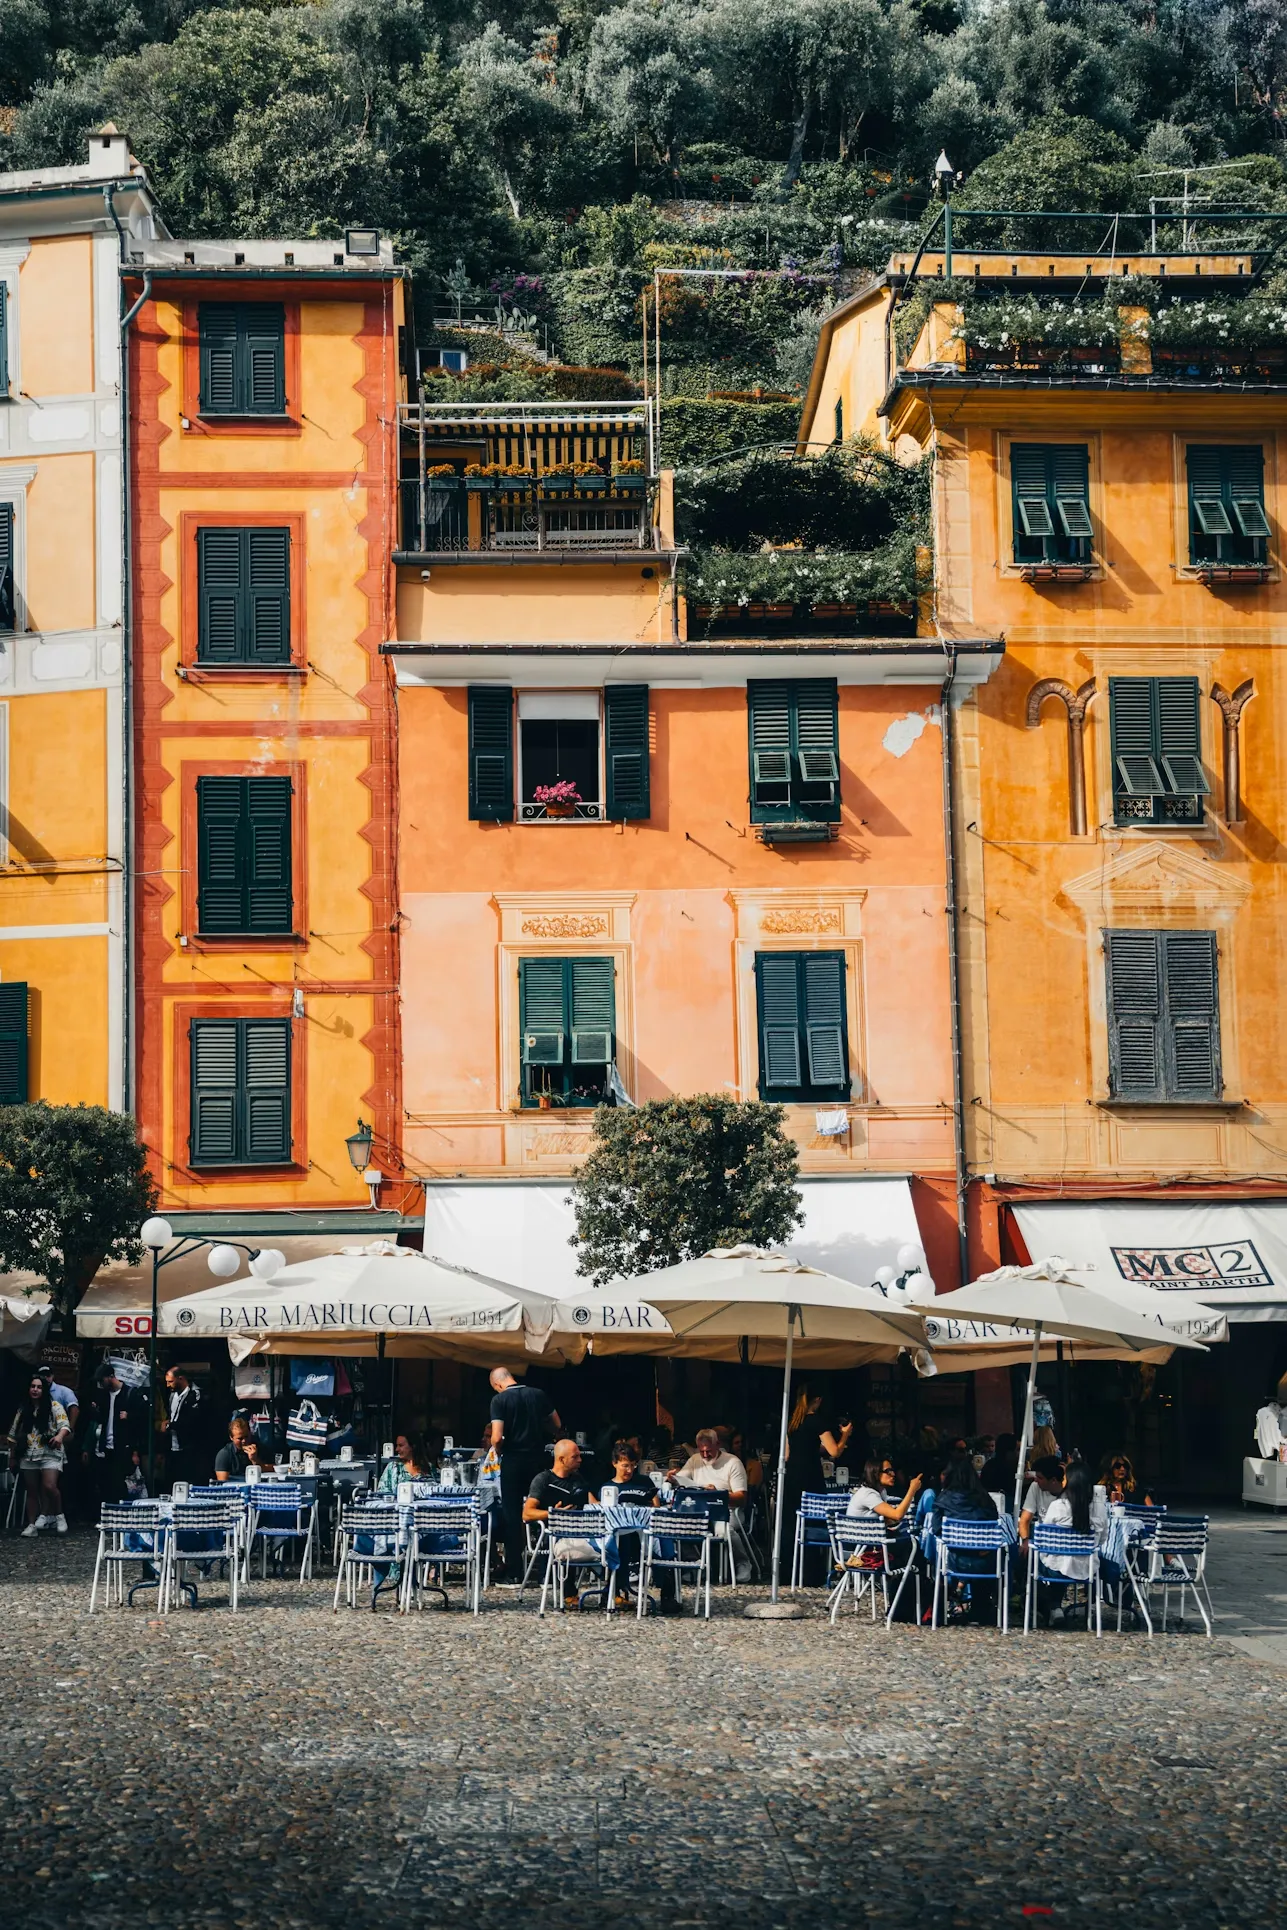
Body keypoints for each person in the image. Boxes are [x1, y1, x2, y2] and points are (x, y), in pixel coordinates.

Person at [489, 1368, 561, 1582]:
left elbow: (496, 1437)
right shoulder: (538, 1394)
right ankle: (548, 1567)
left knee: (512, 1515)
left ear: (497, 1384)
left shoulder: (499, 1400)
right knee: (544, 1510)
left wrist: (500, 1450)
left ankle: (515, 1571)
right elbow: (556, 1424)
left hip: (513, 1460)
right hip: (538, 1458)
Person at [779, 1387, 851, 1584]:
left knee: (793, 1524)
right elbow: (834, 1452)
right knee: (814, 1521)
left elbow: (786, 1455)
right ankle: (812, 1572)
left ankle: (789, 1572)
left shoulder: (792, 1423)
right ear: (817, 1400)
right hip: (810, 1476)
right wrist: (845, 1435)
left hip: (792, 1475)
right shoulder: (817, 1421)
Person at [930, 1448, 1001, 1623]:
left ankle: (954, 1600)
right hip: (985, 1563)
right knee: (999, 1554)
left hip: (956, 1560)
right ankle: (984, 1606)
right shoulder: (985, 1499)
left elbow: (937, 1529)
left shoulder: (943, 1499)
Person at [1033, 1461, 1109, 1621]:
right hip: (1087, 1568)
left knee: (1041, 1560)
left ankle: (1053, 1606)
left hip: (1057, 1568)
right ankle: (1061, 1606)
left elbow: (1045, 1541)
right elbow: (1102, 1540)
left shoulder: (1057, 1506)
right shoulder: (1100, 1508)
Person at [8, 1371, 71, 1534]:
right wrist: (13, 1455)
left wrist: (59, 1436)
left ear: (44, 1391)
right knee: (31, 1489)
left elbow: (65, 1425)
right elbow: (13, 1433)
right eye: (32, 1387)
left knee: (49, 1485)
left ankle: (59, 1515)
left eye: (39, 1387)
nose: (35, 1390)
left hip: (50, 1451)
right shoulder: (23, 1409)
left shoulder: (54, 1406)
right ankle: (31, 1525)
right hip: (29, 1452)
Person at [89, 1364, 149, 1502]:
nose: (100, 1384)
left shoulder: (130, 1394)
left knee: (121, 1483)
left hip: (123, 1447)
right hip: (106, 1447)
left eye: (102, 1380)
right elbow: (100, 1420)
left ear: (111, 1377)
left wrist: (130, 1417)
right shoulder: (103, 1395)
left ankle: (121, 1512)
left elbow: (143, 1421)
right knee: (105, 1483)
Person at [846, 1456, 923, 1527]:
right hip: (862, 1539)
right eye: (888, 1471)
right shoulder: (867, 1494)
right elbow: (897, 1515)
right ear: (875, 1473)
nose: (893, 1474)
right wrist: (912, 1490)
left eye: (892, 1471)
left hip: (871, 1537)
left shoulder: (882, 1491)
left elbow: (890, 1518)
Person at [160, 1368, 204, 1487]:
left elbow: (191, 1421)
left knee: (187, 1480)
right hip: (172, 1446)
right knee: (171, 1480)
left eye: (171, 1381)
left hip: (188, 1446)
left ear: (181, 1378)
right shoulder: (172, 1395)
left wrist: (169, 1425)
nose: (168, 1385)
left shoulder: (194, 1395)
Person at [1019, 1455, 1065, 1543]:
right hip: (1043, 1540)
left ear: (1053, 1480)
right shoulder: (1035, 1486)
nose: (1035, 1480)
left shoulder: (1069, 1492)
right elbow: (1024, 1519)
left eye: (1040, 1478)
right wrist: (1025, 1540)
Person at [979, 1432, 1020, 1499]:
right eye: (1017, 1450)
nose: (1019, 1454)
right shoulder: (998, 1468)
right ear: (1008, 1452)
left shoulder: (990, 1465)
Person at [214, 1416, 254, 1482]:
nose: (244, 1441)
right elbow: (223, 1483)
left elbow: (274, 1468)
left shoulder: (259, 1448)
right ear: (231, 1438)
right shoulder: (224, 1454)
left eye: (246, 1436)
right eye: (240, 1438)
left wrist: (255, 1461)